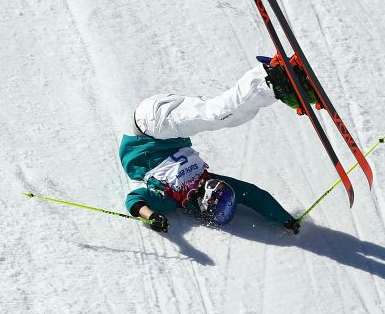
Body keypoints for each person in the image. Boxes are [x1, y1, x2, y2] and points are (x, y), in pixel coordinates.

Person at [118, 55, 317, 234]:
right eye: (220, 187)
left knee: (218, 114)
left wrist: (151, 216)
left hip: (150, 128)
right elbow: (255, 195)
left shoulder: (171, 199)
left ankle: (271, 78)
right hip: (166, 125)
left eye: (214, 190)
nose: (213, 183)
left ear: (206, 203)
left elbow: (134, 199)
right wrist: (285, 219)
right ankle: (282, 85)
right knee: (230, 117)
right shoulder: (207, 179)